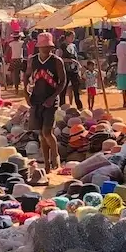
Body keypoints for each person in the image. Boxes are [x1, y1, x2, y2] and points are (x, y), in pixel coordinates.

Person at [25, 32, 66, 172]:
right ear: (38, 47)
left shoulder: (56, 61)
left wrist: (53, 97)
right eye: (42, 47)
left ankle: (55, 156)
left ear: (51, 47)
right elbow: (26, 76)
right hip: (36, 99)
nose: (45, 49)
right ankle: (47, 163)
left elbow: (62, 82)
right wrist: (26, 94)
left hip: (51, 100)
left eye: (47, 47)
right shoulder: (33, 60)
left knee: (47, 131)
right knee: (41, 135)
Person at [62, 44, 83, 111]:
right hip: (66, 71)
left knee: (76, 91)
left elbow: (76, 58)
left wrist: (78, 71)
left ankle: (79, 107)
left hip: (74, 72)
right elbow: (60, 59)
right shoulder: (62, 47)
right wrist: (71, 61)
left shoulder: (74, 46)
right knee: (63, 90)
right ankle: (62, 106)